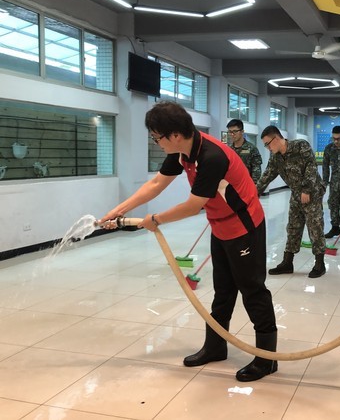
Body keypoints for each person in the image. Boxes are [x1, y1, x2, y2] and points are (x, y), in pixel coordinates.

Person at [100, 101, 278, 382]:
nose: (156, 143)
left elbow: (194, 204)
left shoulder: (211, 156)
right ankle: (216, 346)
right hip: (220, 227)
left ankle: (267, 359)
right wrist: (119, 209)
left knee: (252, 290)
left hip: (245, 229)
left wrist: (155, 219)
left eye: (157, 137)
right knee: (223, 290)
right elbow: (156, 184)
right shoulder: (183, 151)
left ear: (174, 135)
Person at [256, 125, 327, 278]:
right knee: (293, 227)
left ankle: (320, 264)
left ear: (276, 139)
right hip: (296, 194)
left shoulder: (301, 146)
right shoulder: (276, 157)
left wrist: (306, 190)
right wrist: (254, 192)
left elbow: (311, 167)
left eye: (268, 143)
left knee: (315, 227)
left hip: (312, 191)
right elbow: (267, 175)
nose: (267, 147)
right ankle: (287, 262)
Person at [226, 118, 263, 184]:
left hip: (246, 185)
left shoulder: (251, 148)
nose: (232, 134)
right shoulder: (228, 149)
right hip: (232, 186)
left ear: (242, 132)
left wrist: (253, 187)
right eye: (230, 132)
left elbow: (256, 170)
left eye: (235, 131)